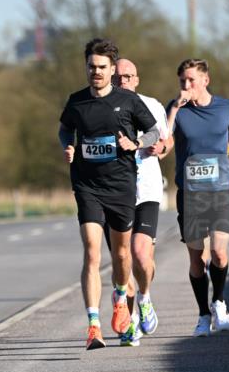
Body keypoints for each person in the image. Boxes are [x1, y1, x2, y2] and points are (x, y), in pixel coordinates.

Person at [58, 38, 159, 350]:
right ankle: (93, 325)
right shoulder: (76, 102)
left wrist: (136, 144)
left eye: (101, 67)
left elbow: (154, 130)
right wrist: (69, 145)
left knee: (122, 254)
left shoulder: (128, 101)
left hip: (121, 187)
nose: (96, 72)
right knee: (91, 250)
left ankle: (120, 294)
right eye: (91, 67)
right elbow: (64, 128)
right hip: (87, 185)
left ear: (112, 69)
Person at [166, 58, 229, 337]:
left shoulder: (226, 107)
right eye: (182, 80)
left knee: (219, 251)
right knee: (197, 260)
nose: (186, 86)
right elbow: (164, 140)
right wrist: (173, 110)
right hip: (190, 193)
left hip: (220, 188)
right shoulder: (176, 109)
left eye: (191, 80)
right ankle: (203, 315)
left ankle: (219, 302)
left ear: (205, 80)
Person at [106, 57, 170, 347]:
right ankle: (130, 323)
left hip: (146, 190)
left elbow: (166, 144)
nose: (123, 82)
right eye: (118, 77)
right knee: (122, 262)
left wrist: (159, 147)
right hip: (113, 192)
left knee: (142, 256)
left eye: (128, 77)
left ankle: (145, 297)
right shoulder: (100, 107)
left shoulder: (153, 106)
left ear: (137, 79)